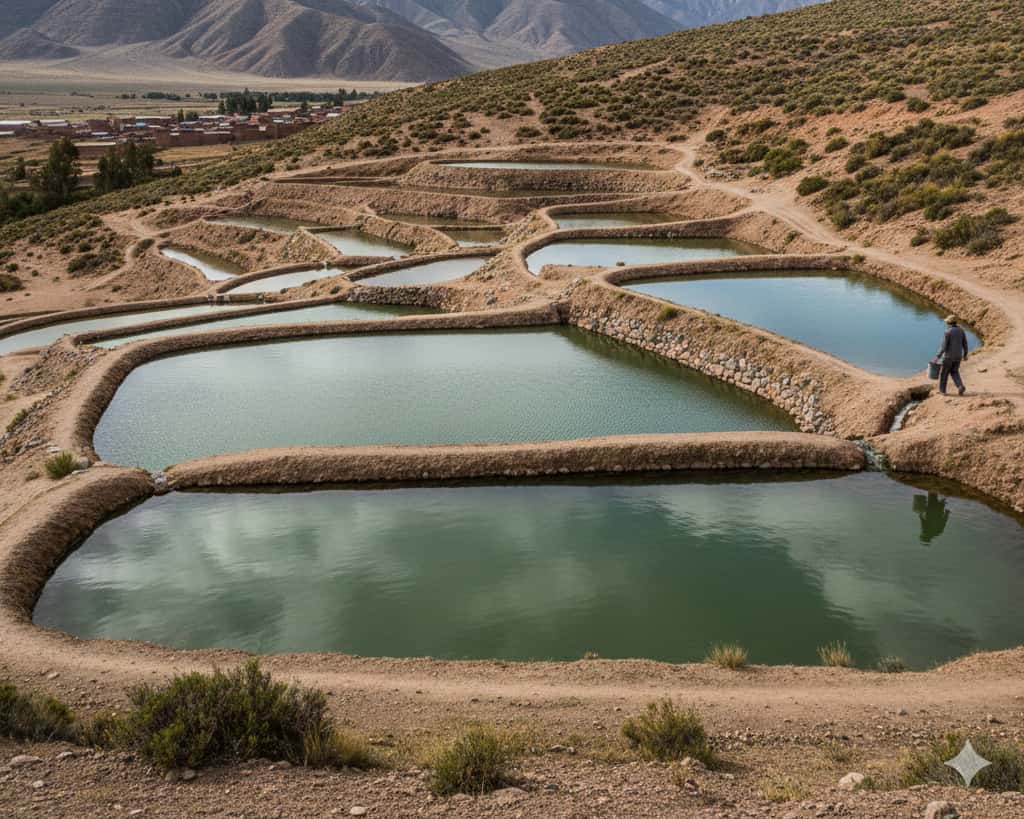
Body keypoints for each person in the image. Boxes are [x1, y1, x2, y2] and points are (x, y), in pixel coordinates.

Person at [936, 315, 968, 395]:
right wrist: (965, 355)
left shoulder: (947, 332)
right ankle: (960, 386)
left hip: (948, 357)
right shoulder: (961, 330)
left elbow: (944, 347)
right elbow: (965, 344)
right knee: (954, 371)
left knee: (944, 373)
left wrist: (938, 356)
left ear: (948, 323)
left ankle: (942, 391)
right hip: (958, 356)